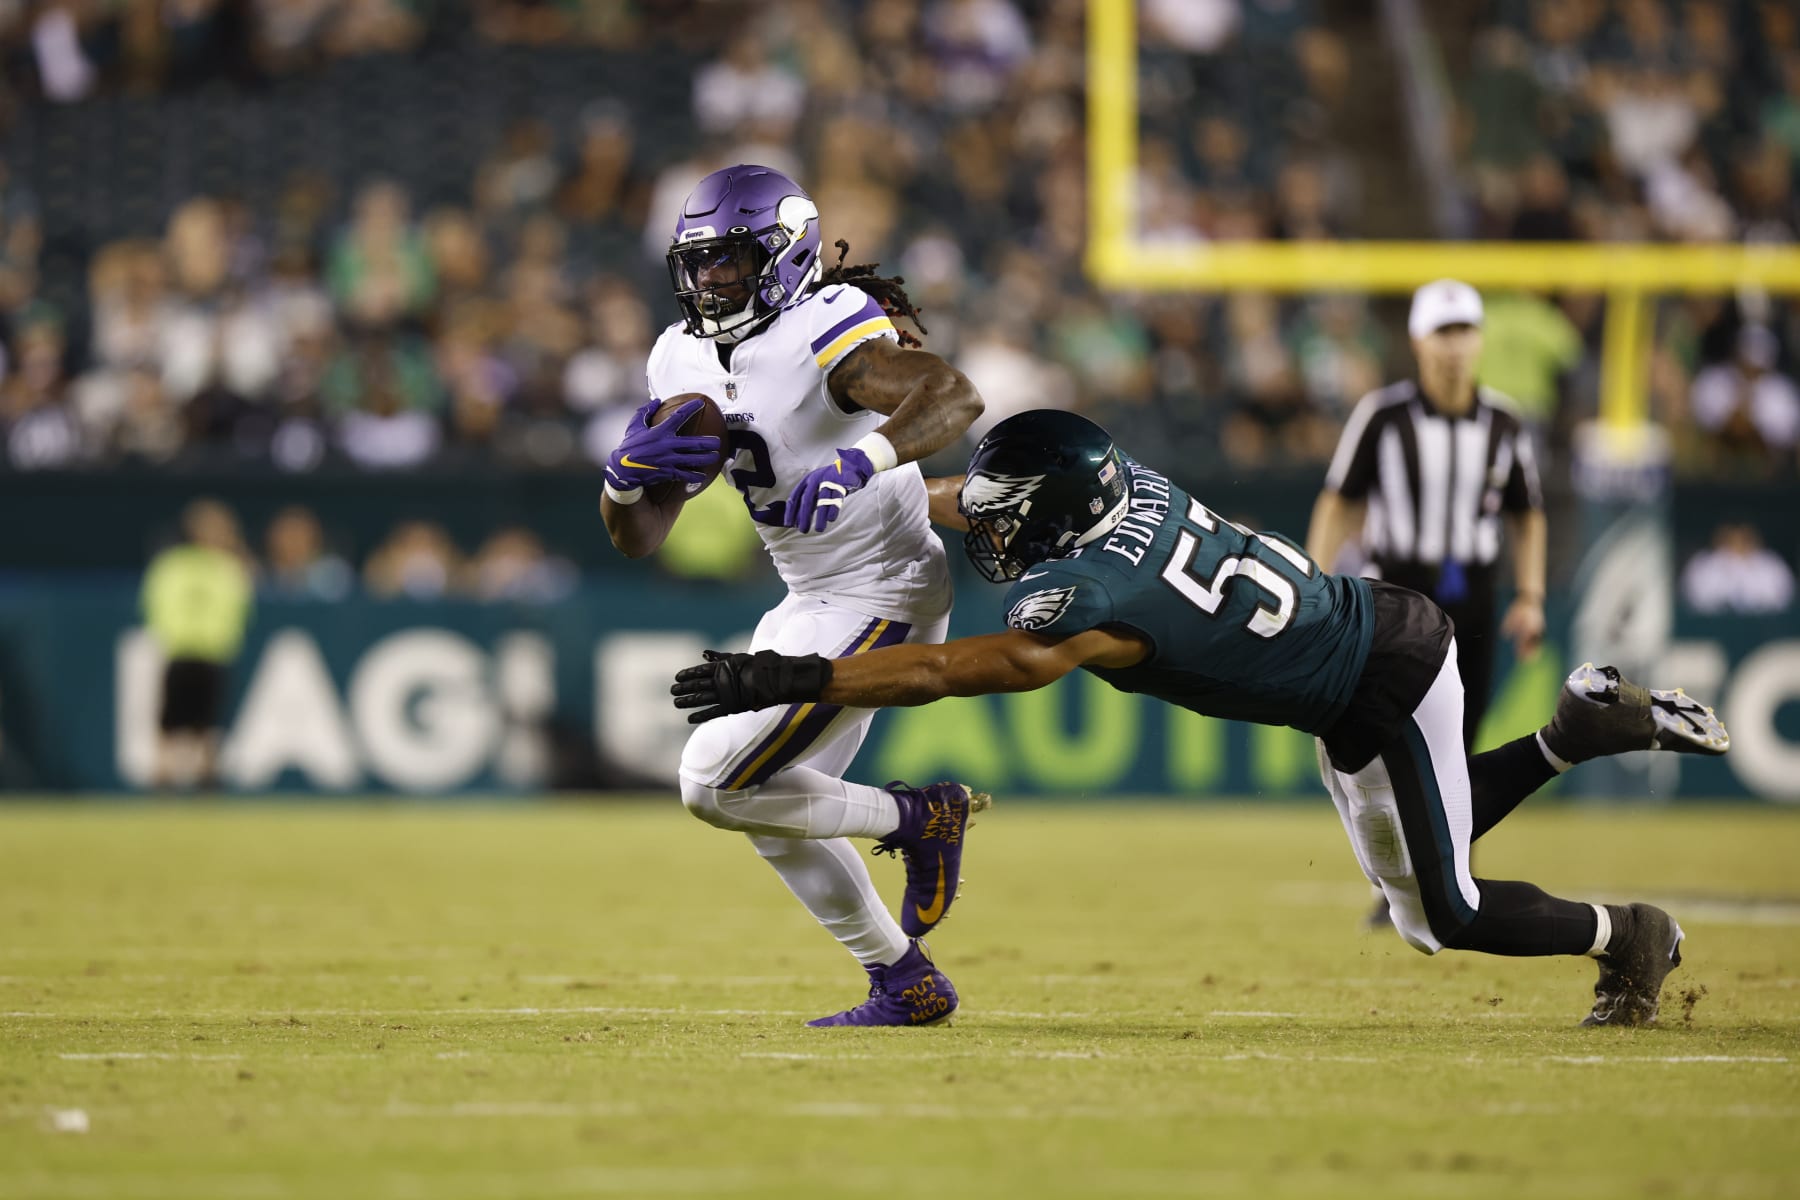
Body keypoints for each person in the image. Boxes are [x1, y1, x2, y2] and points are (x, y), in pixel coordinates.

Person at [673, 410, 1731, 1029]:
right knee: (1416, 876)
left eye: (1007, 517)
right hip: (1365, 654)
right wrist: (864, 494)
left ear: (1053, 517)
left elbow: (962, 668)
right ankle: (1575, 735)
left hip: (1384, 674)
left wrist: (795, 676)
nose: (984, 527)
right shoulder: (1119, 484)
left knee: (1439, 911)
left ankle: (1631, 936)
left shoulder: (1094, 595)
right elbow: (981, 494)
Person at [601, 164, 988, 1028]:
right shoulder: (677, 353)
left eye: (732, 262)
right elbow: (639, 535)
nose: (711, 282)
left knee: (710, 782)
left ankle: (919, 816)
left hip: (887, 585)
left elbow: (953, 393)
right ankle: (906, 980)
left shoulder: (827, 326)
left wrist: (865, 458)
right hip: (810, 594)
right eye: (699, 265)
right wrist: (624, 486)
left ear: (783, 256)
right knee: (772, 807)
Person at [1308, 279, 1549, 930]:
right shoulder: (1383, 416)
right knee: (1383, 743)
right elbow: (1339, 501)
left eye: (1464, 330)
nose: (1454, 345)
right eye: (1442, 332)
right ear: (1418, 341)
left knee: (1459, 748)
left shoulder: (1504, 421)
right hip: (1396, 596)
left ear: (1480, 339)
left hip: (1472, 594)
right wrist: (1314, 582)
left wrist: (1530, 596)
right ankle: (1400, 885)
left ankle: (1445, 879)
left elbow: (1529, 515)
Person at [141, 499, 256, 790]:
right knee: (171, 719)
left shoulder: (226, 566)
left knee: (207, 722)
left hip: (212, 653)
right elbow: (156, 602)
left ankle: (206, 777)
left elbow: (239, 602)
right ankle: (164, 777)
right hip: (181, 650)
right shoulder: (175, 564)